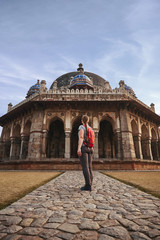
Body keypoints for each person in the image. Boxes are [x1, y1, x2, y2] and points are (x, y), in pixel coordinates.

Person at [77, 115, 94, 191]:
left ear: (82, 121)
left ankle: (88, 185)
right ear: (88, 120)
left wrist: (79, 148)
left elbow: (81, 138)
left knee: (85, 167)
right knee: (90, 167)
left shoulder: (81, 127)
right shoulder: (90, 128)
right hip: (90, 149)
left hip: (84, 148)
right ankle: (90, 183)